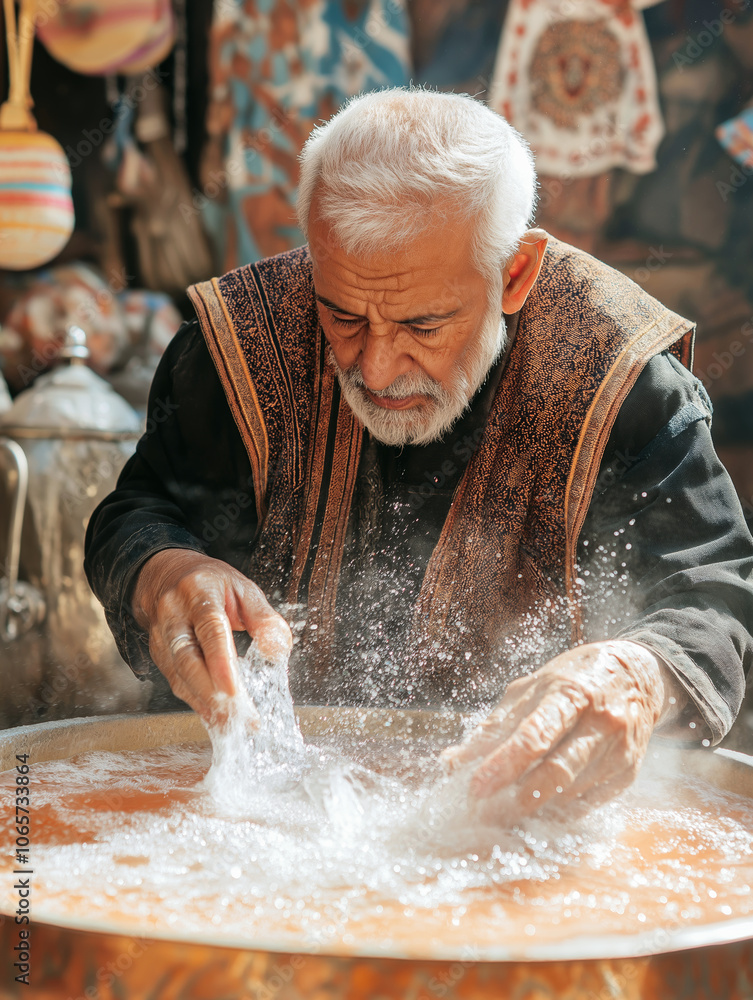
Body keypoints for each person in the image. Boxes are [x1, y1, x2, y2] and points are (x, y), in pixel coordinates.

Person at [84, 88, 753, 818]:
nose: (373, 369)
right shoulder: (239, 344)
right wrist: (165, 570)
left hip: (520, 820)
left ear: (514, 275)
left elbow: (709, 588)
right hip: (253, 807)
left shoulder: (618, 376)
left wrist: (635, 674)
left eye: (422, 324)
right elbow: (139, 509)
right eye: (342, 314)